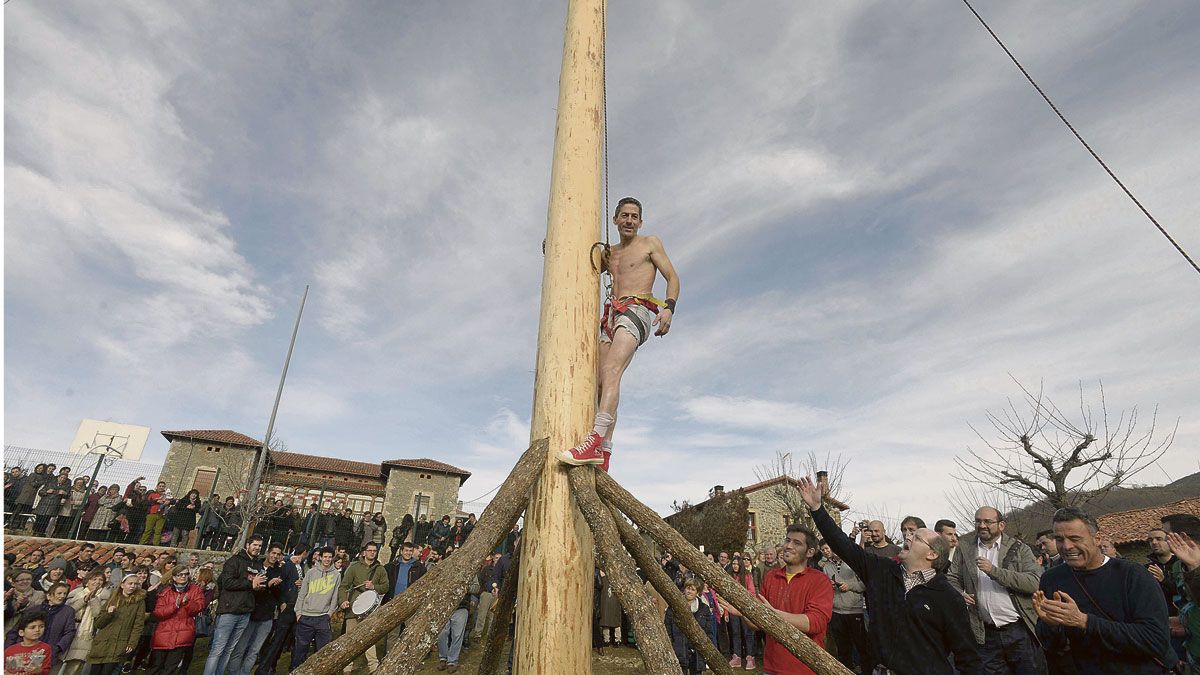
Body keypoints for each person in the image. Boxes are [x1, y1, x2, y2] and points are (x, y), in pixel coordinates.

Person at [799, 475, 980, 675]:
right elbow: (843, 545)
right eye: (908, 533)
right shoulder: (881, 571)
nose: (907, 536)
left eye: (916, 536)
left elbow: (968, 657)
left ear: (932, 554)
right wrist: (817, 509)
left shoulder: (948, 597)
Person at [559, 196, 679, 471]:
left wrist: (669, 308)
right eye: (624, 215)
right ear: (615, 220)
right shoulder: (609, 253)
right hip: (610, 316)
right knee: (602, 381)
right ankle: (605, 452)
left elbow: (672, 277)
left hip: (636, 310)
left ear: (640, 221)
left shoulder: (650, 243)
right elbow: (576, 262)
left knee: (612, 370)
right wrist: (553, 246)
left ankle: (593, 442)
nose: (629, 220)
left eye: (634, 216)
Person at [1034, 506, 1176, 674]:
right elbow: (1052, 646)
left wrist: (1085, 622)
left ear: (1097, 539)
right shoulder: (1052, 579)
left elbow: (1156, 640)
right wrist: (1051, 626)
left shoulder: (1133, 575)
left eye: (1075, 538)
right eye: (1059, 539)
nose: (1067, 546)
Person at [720, 524, 833, 675]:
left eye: (797, 543)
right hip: (771, 667)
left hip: (805, 669)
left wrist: (773, 614)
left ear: (810, 552)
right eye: (787, 540)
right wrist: (743, 612)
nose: (788, 546)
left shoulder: (820, 581)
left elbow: (815, 623)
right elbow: (756, 624)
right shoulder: (771, 577)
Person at [947, 507, 1044, 674]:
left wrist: (993, 571)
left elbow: (1035, 582)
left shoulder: (1020, 549)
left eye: (987, 522)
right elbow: (951, 577)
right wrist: (959, 594)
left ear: (1001, 525)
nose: (982, 525)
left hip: (1019, 630)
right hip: (984, 633)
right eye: (978, 521)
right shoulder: (964, 548)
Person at [202, 535, 265, 675]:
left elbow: (256, 587)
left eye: (260, 546)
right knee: (217, 649)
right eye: (255, 545)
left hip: (245, 611)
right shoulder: (234, 561)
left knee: (229, 649)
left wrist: (260, 586)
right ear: (248, 545)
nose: (257, 548)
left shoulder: (258, 565)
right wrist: (250, 584)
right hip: (229, 611)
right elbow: (226, 583)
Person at [226, 543, 284, 675]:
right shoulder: (255, 566)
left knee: (254, 650)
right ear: (268, 553)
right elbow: (251, 589)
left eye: (278, 554)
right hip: (251, 612)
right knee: (240, 648)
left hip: (267, 615)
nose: (275, 556)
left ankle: (245, 672)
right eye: (273, 553)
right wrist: (267, 585)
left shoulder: (279, 571)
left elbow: (279, 594)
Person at [338, 541, 389, 672]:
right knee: (350, 640)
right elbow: (344, 586)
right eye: (370, 550)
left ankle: (373, 667)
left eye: (374, 551)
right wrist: (343, 601)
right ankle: (347, 668)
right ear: (364, 552)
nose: (372, 552)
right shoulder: (354, 567)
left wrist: (374, 587)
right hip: (354, 609)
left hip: (371, 610)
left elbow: (386, 587)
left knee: (369, 639)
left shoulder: (380, 569)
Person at [146, 566, 205, 675]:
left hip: (182, 633)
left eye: (186, 574)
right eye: (180, 574)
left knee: (170, 668)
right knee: (155, 667)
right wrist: (175, 606)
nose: (183, 576)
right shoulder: (166, 591)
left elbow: (199, 607)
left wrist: (187, 603)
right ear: (174, 577)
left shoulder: (195, 590)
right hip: (163, 633)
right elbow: (158, 612)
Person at [258, 545, 306, 675]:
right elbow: (281, 583)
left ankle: (280, 667)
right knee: (277, 640)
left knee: (289, 640)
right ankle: (266, 668)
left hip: (296, 607)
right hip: (286, 606)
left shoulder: (299, 566)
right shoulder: (287, 565)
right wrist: (282, 602)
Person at [820, 541, 867, 674]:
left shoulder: (853, 563)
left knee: (861, 646)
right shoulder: (826, 566)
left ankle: (866, 670)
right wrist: (828, 585)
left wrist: (849, 585)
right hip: (836, 611)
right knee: (842, 647)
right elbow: (824, 587)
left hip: (854, 610)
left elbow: (864, 584)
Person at [87, 574, 145, 675]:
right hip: (103, 642)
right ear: (122, 585)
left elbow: (138, 625)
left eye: (135, 584)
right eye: (130, 583)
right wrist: (109, 614)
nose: (132, 586)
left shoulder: (139, 602)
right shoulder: (113, 598)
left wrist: (132, 643)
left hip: (120, 643)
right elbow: (99, 623)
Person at [292, 547, 340, 670]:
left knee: (323, 650)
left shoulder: (336, 575)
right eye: (325, 557)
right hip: (306, 616)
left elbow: (335, 596)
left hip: (323, 617)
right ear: (320, 557)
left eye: (330, 557)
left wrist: (329, 613)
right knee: (300, 649)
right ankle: (296, 670)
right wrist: (298, 612)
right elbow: (302, 593)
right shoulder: (311, 573)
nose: (327, 559)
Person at [61, 570, 108, 675]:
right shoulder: (75, 593)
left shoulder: (105, 597)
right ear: (87, 581)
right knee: (60, 664)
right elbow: (69, 611)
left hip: (87, 633)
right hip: (71, 629)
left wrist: (93, 599)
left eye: (101, 580)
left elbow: (98, 615)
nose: (97, 582)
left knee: (76, 664)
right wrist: (84, 600)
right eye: (94, 579)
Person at [383, 542, 426, 652]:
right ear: (401, 551)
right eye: (406, 550)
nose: (408, 553)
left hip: (410, 604)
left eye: (410, 551)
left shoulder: (419, 567)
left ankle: (409, 656)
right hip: (394, 602)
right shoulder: (392, 566)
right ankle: (390, 657)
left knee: (411, 632)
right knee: (393, 633)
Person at [665, 580, 712, 674]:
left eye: (693, 589)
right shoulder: (674, 607)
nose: (689, 591)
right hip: (679, 648)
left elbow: (708, 631)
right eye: (688, 588)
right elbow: (667, 628)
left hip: (697, 651)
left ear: (697, 593)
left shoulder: (704, 609)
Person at [727, 558, 757, 670]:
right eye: (733, 563)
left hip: (745, 609)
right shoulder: (729, 576)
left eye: (737, 564)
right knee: (735, 632)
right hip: (732, 608)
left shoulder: (747, 576)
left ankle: (750, 657)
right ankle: (737, 657)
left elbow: (752, 592)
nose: (735, 566)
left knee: (747, 633)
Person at [4, 610, 51, 675]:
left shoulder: (45, 648)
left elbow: (46, 671)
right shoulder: (9, 651)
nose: (37, 630)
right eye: (32, 627)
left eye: (41, 626)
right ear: (21, 632)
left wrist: (39, 671)